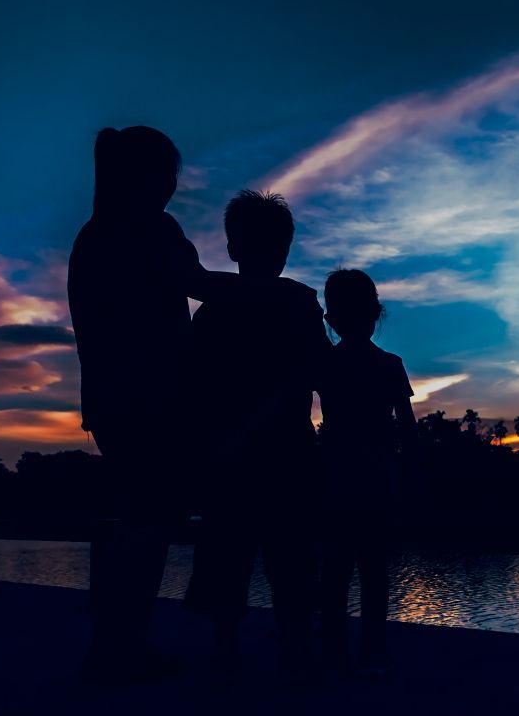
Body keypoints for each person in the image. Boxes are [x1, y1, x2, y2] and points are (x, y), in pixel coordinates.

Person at [68, 126, 246, 682]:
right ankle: (117, 649)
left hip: (111, 402)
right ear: (148, 176)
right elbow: (197, 284)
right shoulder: (149, 228)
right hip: (149, 402)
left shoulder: (93, 235)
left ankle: (117, 643)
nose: (174, 185)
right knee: (147, 525)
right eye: (169, 174)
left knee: (139, 521)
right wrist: (273, 291)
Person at [183, 191, 329, 678]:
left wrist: (219, 440)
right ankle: (296, 653)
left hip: (233, 455)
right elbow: (312, 373)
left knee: (230, 557)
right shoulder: (300, 303)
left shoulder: (211, 311)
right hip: (284, 451)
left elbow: (193, 384)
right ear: (284, 251)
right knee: (290, 559)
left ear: (232, 248)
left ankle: (228, 654)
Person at [317, 269, 417, 676]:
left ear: (332, 318)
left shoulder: (325, 364)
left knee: (335, 572)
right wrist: (412, 481)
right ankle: (373, 651)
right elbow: (408, 431)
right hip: (377, 478)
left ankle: (334, 653)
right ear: (375, 313)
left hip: (336, 478)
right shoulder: (390, 365)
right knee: (374, 573)